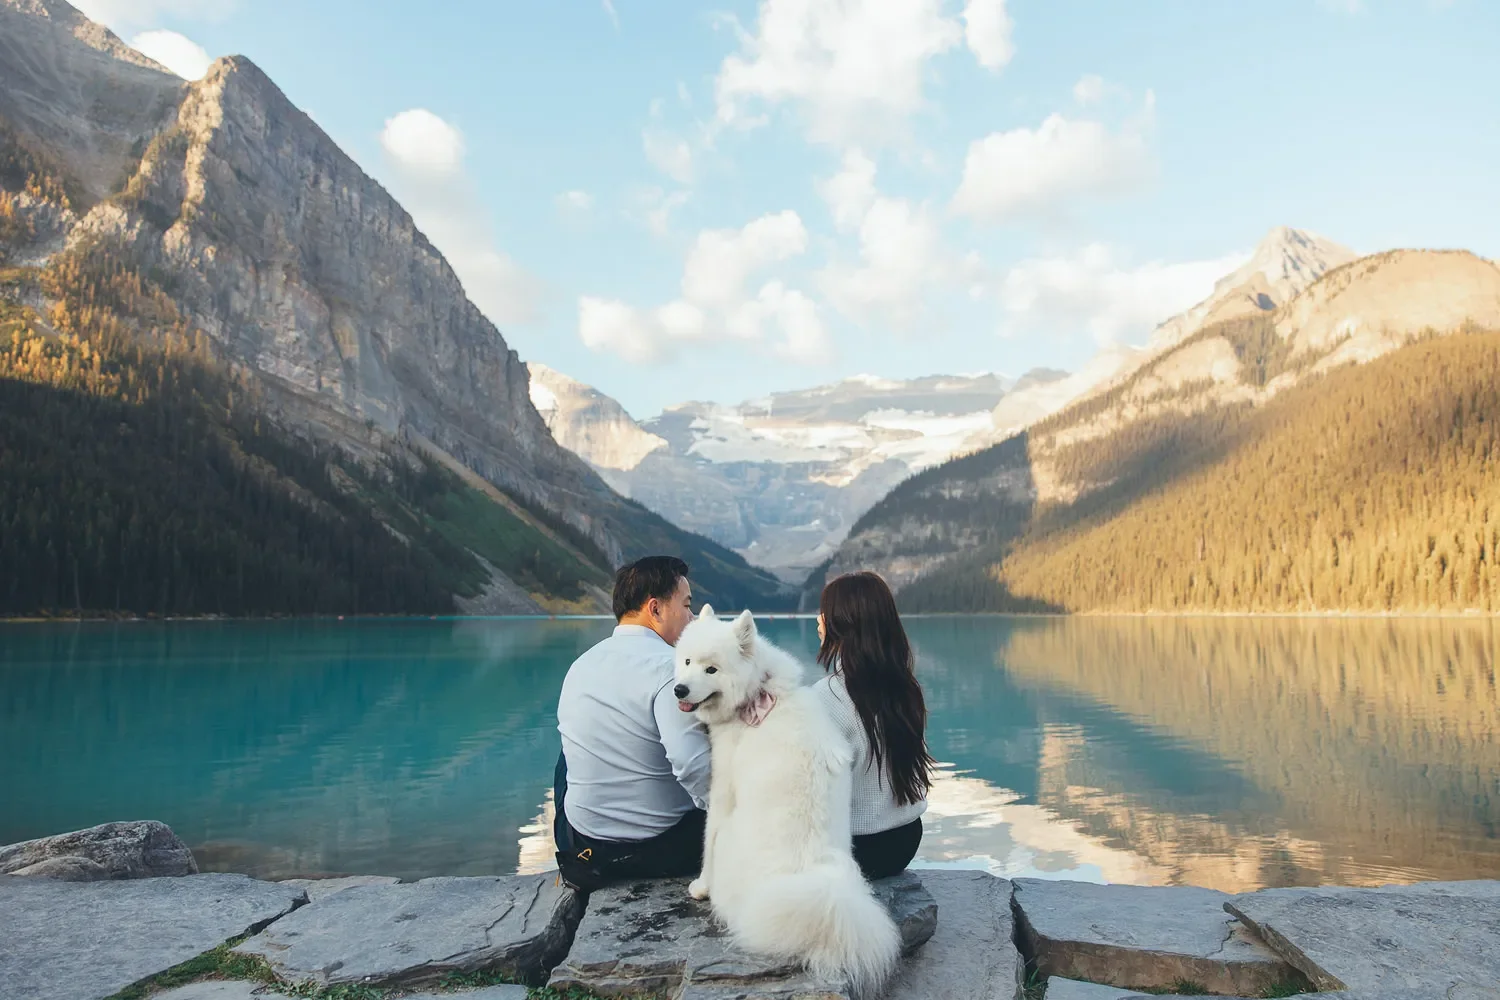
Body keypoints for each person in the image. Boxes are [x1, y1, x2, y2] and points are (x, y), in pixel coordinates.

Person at [552, 555, 710, 891]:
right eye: (686, 605)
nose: (693, 618)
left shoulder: (582, 663)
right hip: (654, 850)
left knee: (566, 759)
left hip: (583, 844)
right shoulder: (672, 669)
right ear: (655, 609)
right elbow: (692, 765)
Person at [811, 570, 935, 880]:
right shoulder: (906, 688)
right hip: (905, 839)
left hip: (855, 850)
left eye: (824, 612)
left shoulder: (826, 696)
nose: (818, 620)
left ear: (844, 622)